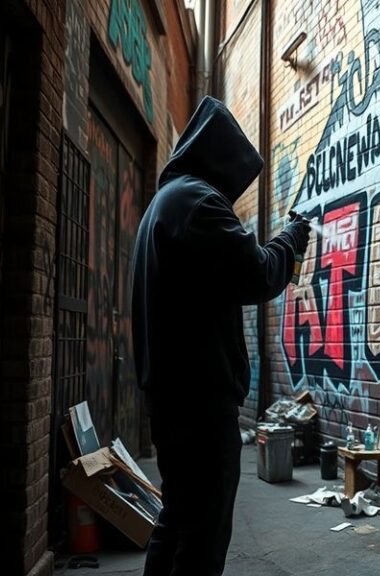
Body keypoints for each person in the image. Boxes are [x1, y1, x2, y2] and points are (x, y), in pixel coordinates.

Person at [132, 96, 310, 576]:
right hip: (199, 405)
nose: (233, 190)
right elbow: (256, 274)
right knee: (203, 541)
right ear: (218, 158)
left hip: (173, 400)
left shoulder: (165, 204)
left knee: (178, 522)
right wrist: (290, 240)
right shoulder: (197, 202)